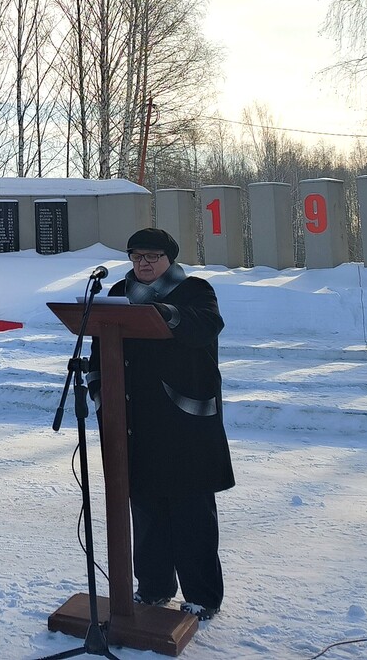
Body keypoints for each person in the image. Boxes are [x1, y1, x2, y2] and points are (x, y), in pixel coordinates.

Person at [87, 227, 234, 622]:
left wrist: (166, 313)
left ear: (169, 259)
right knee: (147, 511)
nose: (144, 263)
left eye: (152, 256)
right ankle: (153, 587)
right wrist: (100, 392)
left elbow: (205, 325)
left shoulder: (194, 290)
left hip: (184, 421)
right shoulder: (118, 293)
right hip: (134, 422)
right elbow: (99, 346)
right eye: (137, 256)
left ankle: (202, 596)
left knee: (191, 512)